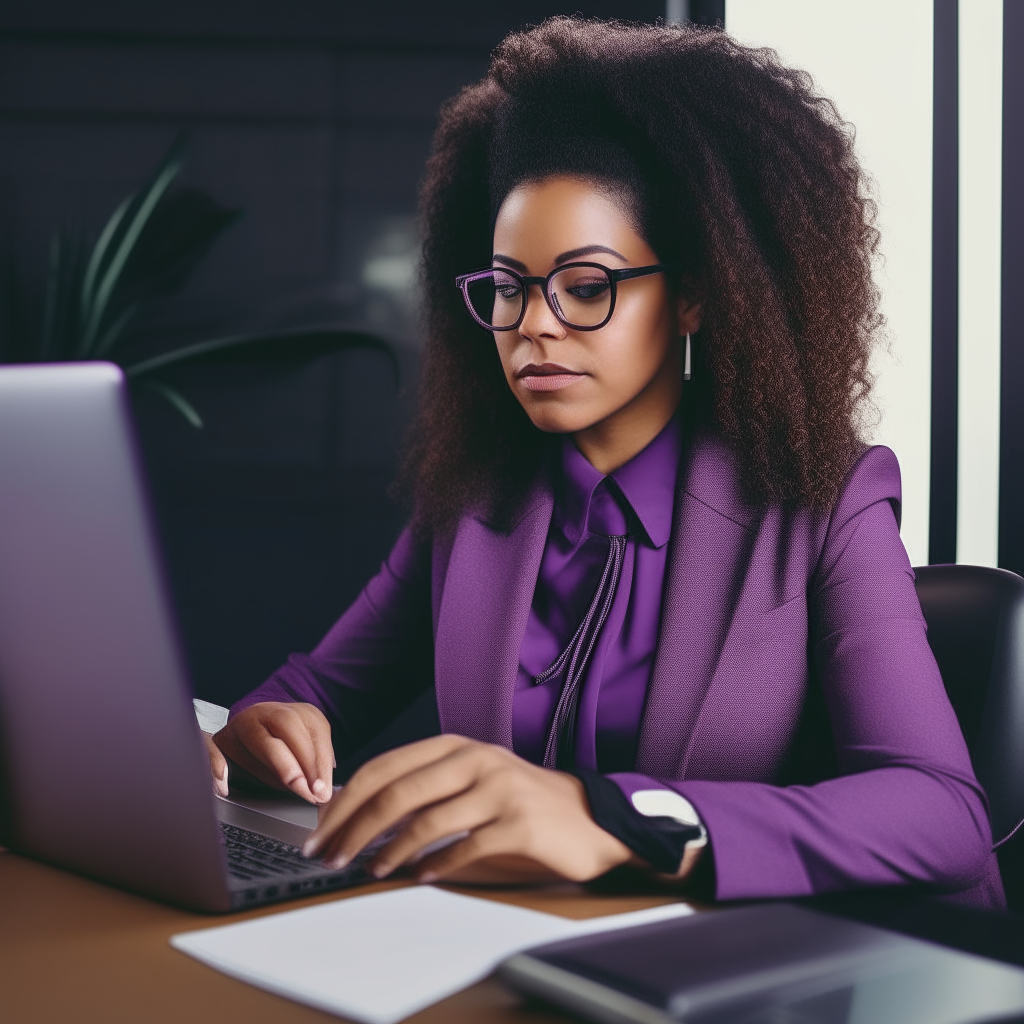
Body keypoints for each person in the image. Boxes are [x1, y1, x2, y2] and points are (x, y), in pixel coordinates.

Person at [206, 17, 1003, 907]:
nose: (532, 325)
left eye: (585, 288)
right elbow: (315, 692)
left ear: (698, 293)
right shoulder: (473, 499)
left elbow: (940, 811)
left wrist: (612, 818)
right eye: (508, 288)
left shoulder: (822, 501)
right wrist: (269, 727)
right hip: (505, 952)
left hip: (754, 969)